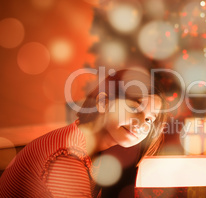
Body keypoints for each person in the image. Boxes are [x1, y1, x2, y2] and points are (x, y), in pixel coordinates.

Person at [0, 68, 168, 197]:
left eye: (149, 119)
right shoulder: (65, 157)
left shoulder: (88, 147)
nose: (140, 123)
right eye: (134, 107)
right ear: (103, 102)